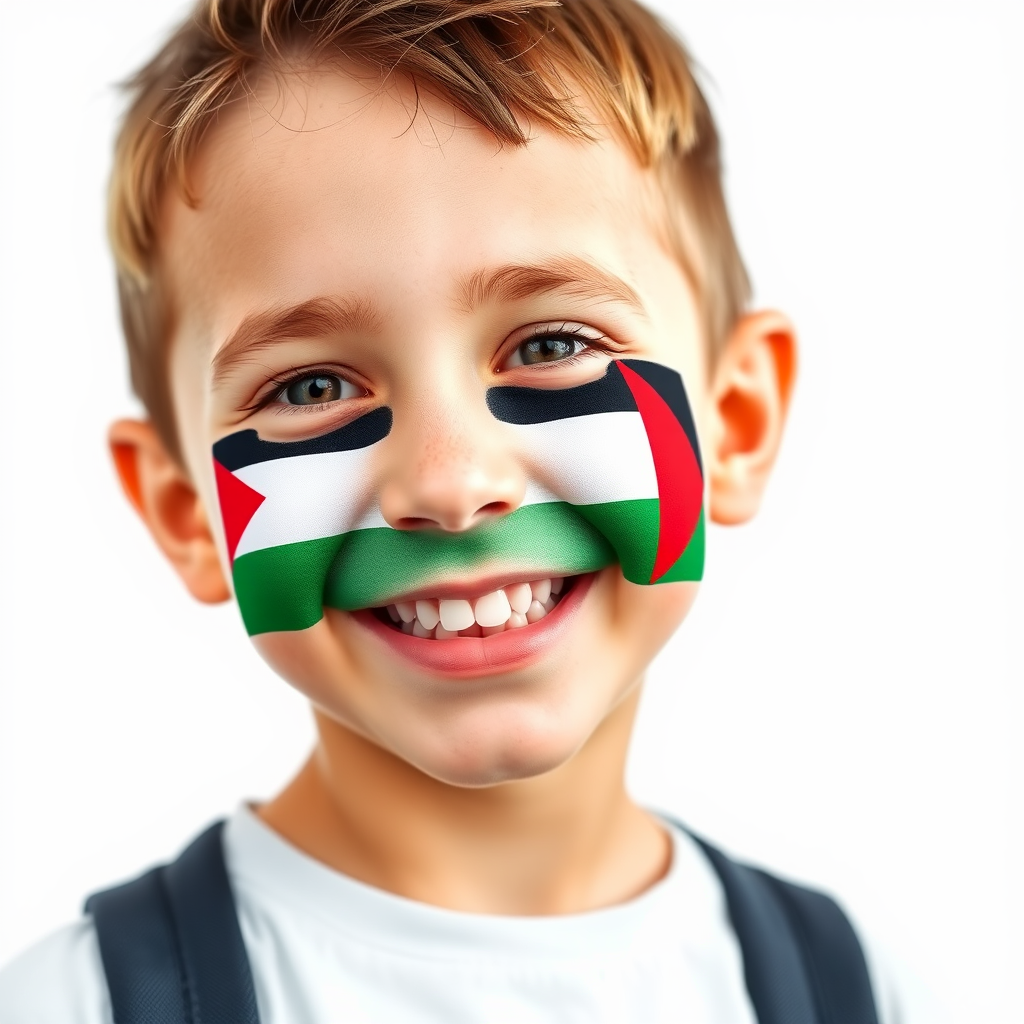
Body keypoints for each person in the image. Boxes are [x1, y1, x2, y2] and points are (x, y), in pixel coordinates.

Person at [0, 1, 894, 1021]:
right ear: (186, 511)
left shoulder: (862, 988)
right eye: (306, 389)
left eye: (553, 344)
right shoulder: (73, 1003)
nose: (449, 484)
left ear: (732, 421)